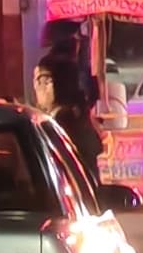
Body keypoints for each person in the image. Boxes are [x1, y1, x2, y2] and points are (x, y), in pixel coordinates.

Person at [34, 20, 106, 187]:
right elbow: (91, 93)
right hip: (76, 131)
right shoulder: (66, 65)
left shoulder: (61, 64)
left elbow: (90, 92)